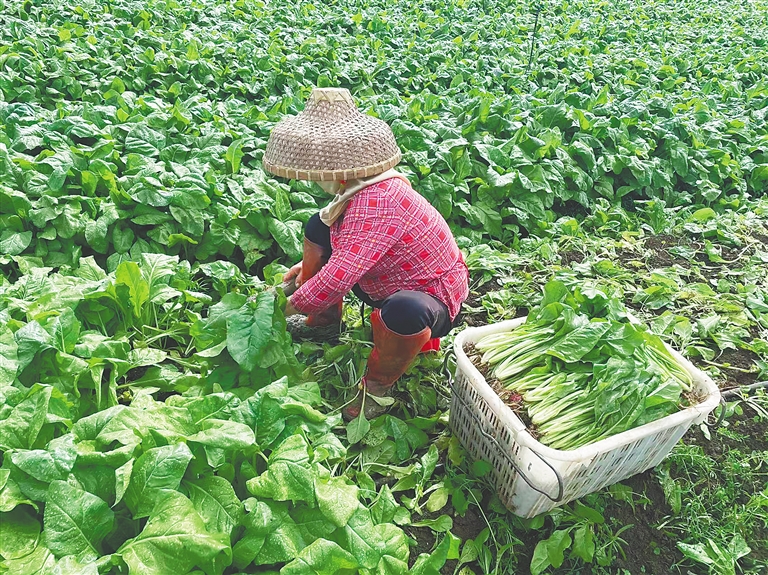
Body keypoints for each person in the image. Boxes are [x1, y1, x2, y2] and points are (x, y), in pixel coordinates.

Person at [262, 87, 469, 420]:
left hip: (431, 296)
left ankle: (377, 386)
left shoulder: (376, 202)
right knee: (319, 225)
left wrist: (278, 310)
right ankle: (323, 323)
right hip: (386, 276)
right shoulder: (363, 187)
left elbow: (337, 277)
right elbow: (350, 245)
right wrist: (305, 270)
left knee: (405, 310)